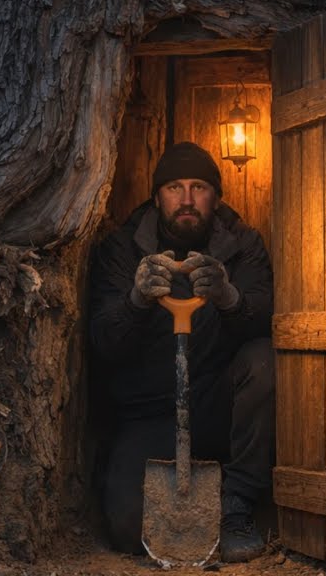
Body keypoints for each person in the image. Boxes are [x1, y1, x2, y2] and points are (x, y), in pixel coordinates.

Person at [90, 141, 274, 563]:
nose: (187, 199)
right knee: (129, 530)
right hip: (147, 415)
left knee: (263, 360)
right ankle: (189, 521)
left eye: (199, 187)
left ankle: (237, 508)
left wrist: (229, 296)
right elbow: (102, 341)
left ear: (217, 196)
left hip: (215, 406)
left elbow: (265, 319)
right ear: (157, 197)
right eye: (174, 187)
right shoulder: (122, 249)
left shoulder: (242, 245)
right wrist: (135, 301)